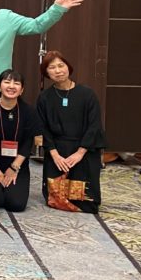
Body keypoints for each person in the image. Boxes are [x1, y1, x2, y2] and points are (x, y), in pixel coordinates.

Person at [37, 50, 105, 213]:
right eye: (52, 68)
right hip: (57, 150)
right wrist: (54, 155)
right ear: (46, 73)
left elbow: (94, 126)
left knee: (87, 203)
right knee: (55, 199)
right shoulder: (44, 97)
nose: (58, 70)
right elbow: (42, 128)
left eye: (61, 65)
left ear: (68, 67)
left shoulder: (87, 94)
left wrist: (79, 153)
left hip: (84, 149)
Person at [0, 69, 41, 213]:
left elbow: (28, 142)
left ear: (22, 90)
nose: (11, 86)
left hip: (17, 163)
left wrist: (14, 167)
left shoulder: (28, 111)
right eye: (7, 82)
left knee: (16, 204)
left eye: (16, 83)